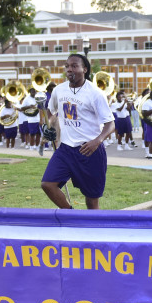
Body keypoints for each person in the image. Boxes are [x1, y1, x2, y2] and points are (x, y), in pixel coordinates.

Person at [40, 54, 114, 209]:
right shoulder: (59, 91)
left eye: (74, 66)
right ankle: (71, 215)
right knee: (48, 184)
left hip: (90, 150)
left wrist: (97, 141)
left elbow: (110, 124)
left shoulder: (95, 93)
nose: (69, 69)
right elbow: (50, 111)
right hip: (66, 149)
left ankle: (93, 230)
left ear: (84, 69)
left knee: (92, 200)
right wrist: (48, 126)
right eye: (67, 66)